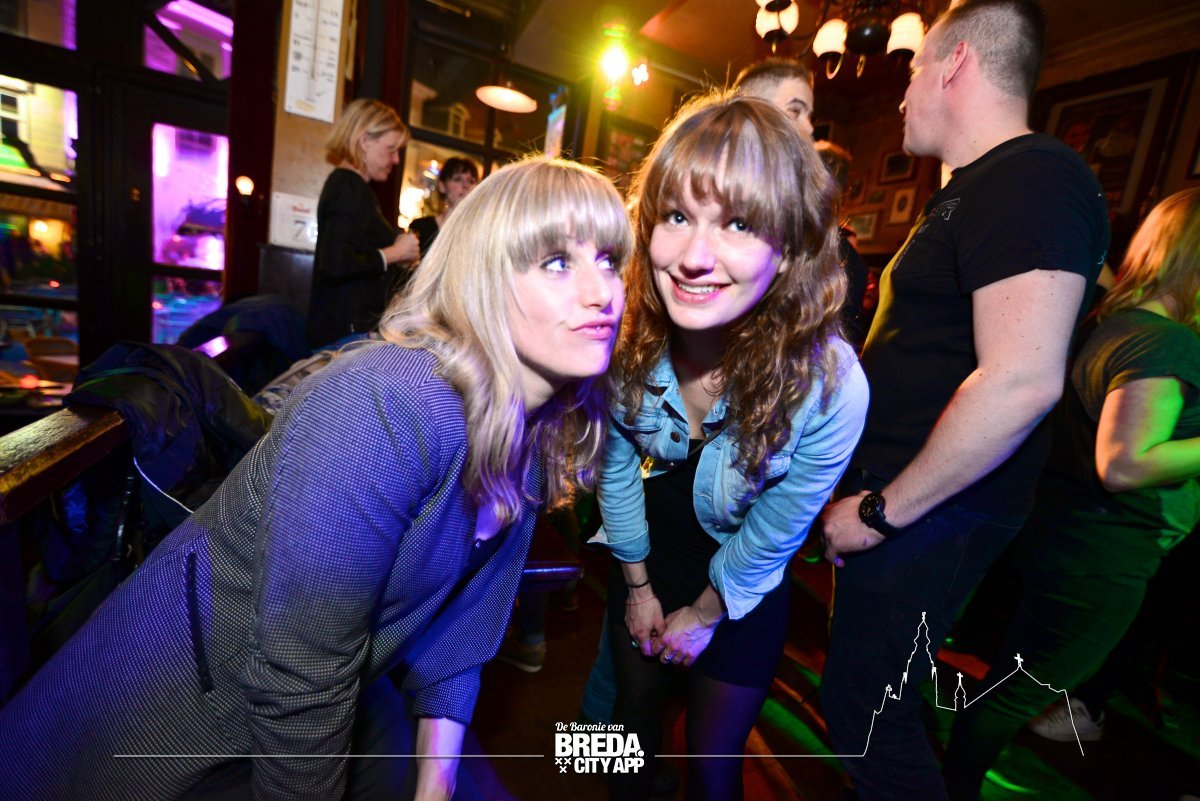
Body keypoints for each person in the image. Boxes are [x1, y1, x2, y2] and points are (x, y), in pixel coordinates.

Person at [0, 157, 631, 801]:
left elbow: (460, 640)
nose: (602, 292)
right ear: (482, 279)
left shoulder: (527, 436)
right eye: (558, 261)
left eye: (609, 260)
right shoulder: (388, 400)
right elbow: (299, 681)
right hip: (162, 720)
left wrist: (435, 787)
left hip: (311, 703)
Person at [818, 0, 1110, 798]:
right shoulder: (981, 185)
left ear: (955, 64)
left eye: (913, 69)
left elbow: (1021, 378)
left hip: (933, 511)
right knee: (883, 704)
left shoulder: (1032, 176)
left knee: (865, 716)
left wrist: (881, 511)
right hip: (919, 505)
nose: (902, 93)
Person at [591, 91, 869, 801]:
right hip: (646, 558)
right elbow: (614, 469)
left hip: (744, 584)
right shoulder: (623, 333)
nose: (694, 257)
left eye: (740, 223)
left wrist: (706, 613)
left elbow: (777, 530)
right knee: (623, 741)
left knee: (714, 770)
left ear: (790, 249)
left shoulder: (832, 387)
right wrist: (638, 589)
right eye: (677, 216)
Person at [940, 188, 1200, 800]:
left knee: (1011, 682)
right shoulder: (1166, 342)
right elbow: (1125, 463)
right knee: (1017, 695)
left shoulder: (1113, 323)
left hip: (1067, 537)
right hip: (1101, 555)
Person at [307, 98, 420, 349]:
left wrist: (397, 257)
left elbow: (355, 258)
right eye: (391, 149)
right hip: (342, 338)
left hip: (343, 334)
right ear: (364, 141)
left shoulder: (350, 186)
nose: (395, 160)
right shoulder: (350, 188)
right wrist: (396, 252)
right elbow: (335, 265)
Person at [409, 157, 480, 259]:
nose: (466, 185)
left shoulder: (478, 233)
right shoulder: (421, 227)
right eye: (457, 179)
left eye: (471, 181)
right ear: (442, 186)